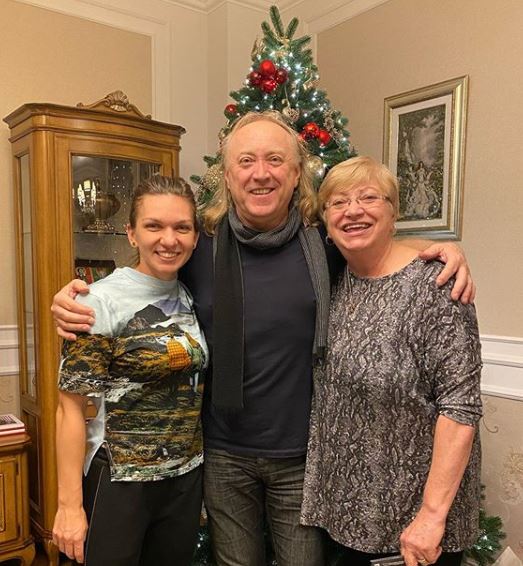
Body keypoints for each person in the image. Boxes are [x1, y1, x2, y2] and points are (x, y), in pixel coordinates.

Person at [51, 112, 475, 566]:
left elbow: (375, 246)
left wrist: (445, 251)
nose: (261, 173)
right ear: (227, 177)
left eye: (275, 160)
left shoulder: (323, 244)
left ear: (296, 175)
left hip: (302, 456)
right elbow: (147, 276)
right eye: (246, 161)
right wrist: (79, 298)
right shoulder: (200, 246)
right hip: (222, 456)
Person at [301, 156, 482, 566]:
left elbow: (461, 407)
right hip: (348, 514)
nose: (353, 211)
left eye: (369, 198)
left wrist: (431, 518)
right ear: (325, 219)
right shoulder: (336, 281)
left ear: (394, 211)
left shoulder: (436, 285)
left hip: (413, 525)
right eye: (338, 202)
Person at [52, 176, 208, 565]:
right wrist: (69, 506)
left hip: (184, 478)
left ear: (195, 237)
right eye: (154, 226)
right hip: (120, 479)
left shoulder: (190, 293)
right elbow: (69, 408)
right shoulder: (99, 301)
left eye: (181, 227)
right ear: (132, 233)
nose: (169, 239)